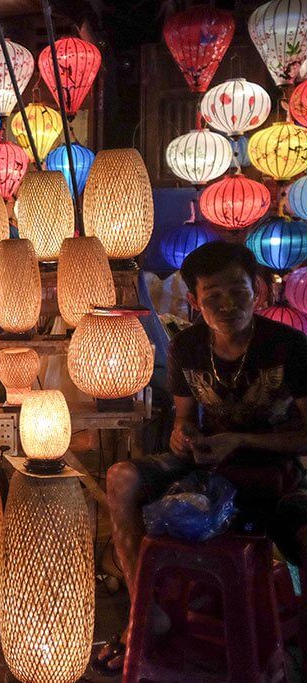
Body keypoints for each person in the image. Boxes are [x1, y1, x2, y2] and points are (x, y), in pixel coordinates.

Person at [96, 241, 307, 673]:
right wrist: (182, 436)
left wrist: (240, 440)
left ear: (260, 292)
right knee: (121, 477)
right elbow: (184, 419)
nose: (227, 304)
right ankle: (144, 612)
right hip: (210, 467)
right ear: (194, 301)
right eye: (212, 295)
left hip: (277, 470)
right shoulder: (187, 348)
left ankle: (287, 643)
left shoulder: (290, 347)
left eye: (239, 291)